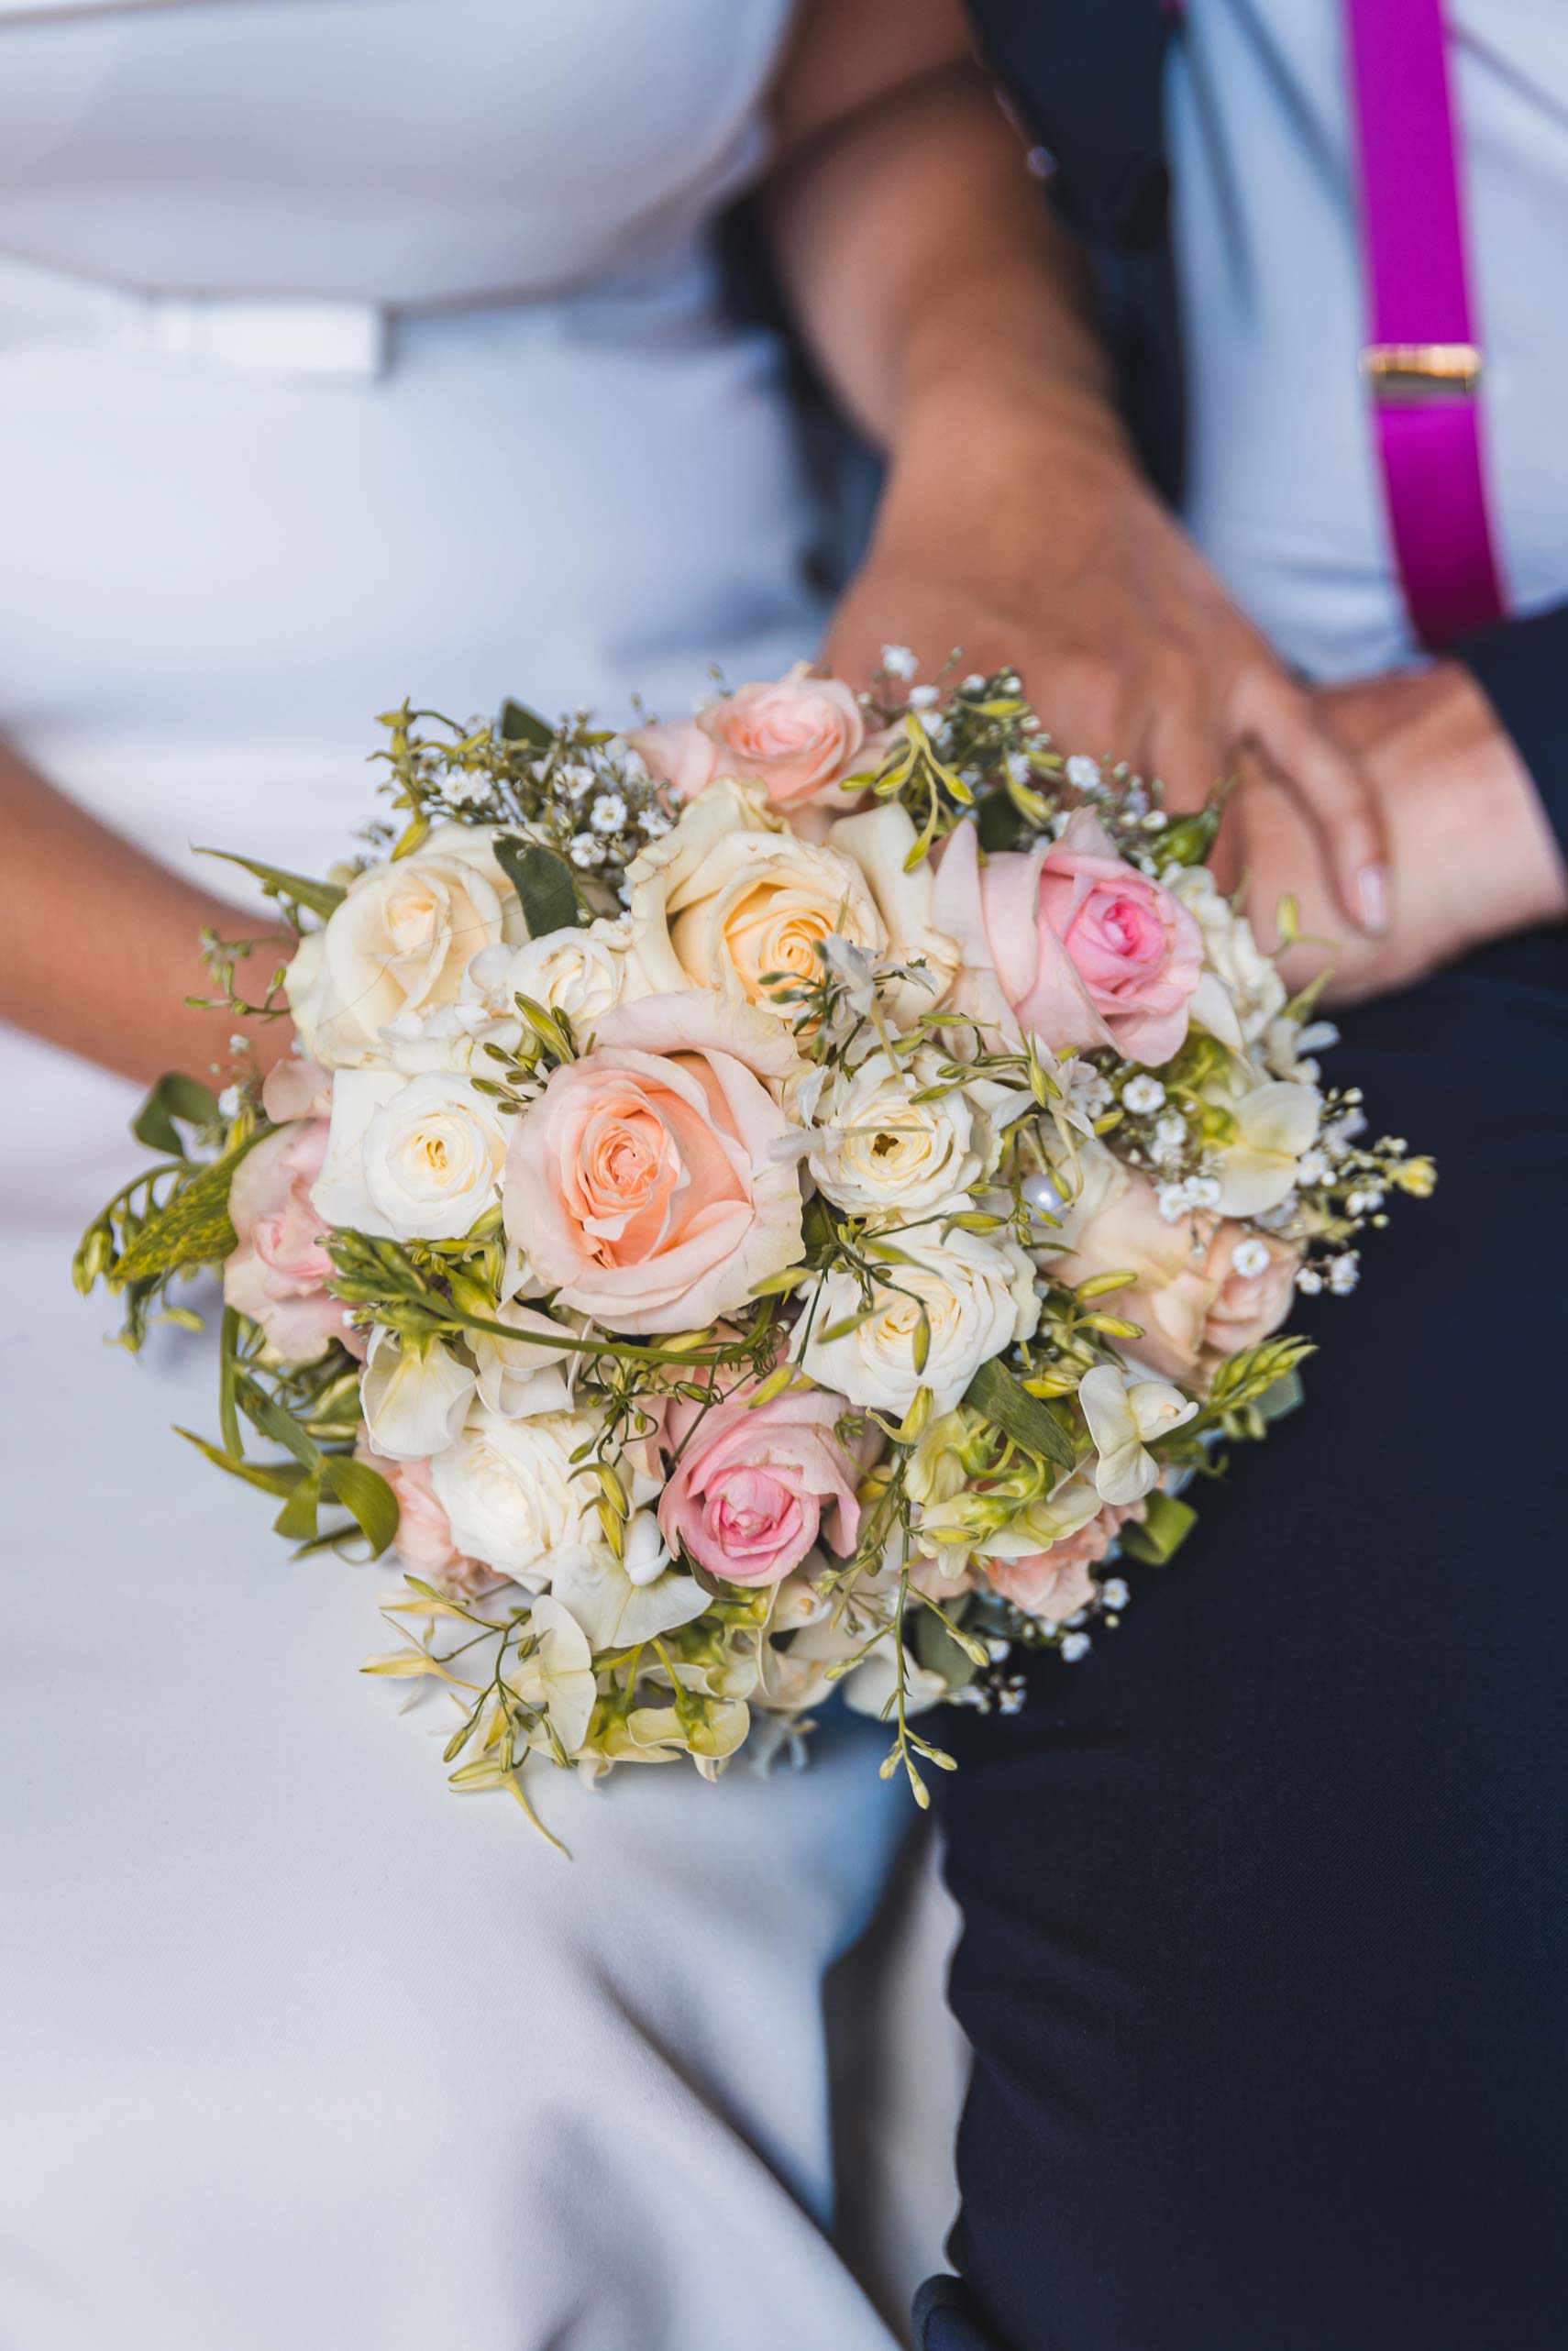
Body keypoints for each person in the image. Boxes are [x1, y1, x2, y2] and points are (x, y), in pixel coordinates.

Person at [0, 4, 1069, 2344]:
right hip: (80, 965)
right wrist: (412, 1087)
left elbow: (862, 84)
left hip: (695, 854)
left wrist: (1008, 446)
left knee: (411, 2023)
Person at [831, 6, 1568, 2346]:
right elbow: (851, 89)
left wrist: (1525, 763)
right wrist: (1006, 423)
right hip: (1294, 912)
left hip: (1429, 833)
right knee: (1244, 2219)